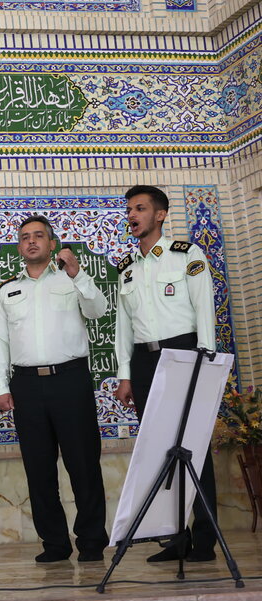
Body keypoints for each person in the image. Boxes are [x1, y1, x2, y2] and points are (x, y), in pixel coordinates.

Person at [0, 215, 109, 563]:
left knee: (83, 464)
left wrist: (78, 274)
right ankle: (54, 543)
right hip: (26, 385)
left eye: (38, 236)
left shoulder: (71, 280)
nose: (31, 241)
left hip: (70, 380)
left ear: (51, 244)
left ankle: (91, 541)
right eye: (25, 237)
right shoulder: (7, 291)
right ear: (19, 247)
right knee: (39, 469)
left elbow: (98, 310)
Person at [113, 185, 218, 562]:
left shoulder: (186, 254)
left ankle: (205, 539)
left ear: (159, 215)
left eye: (140, 208)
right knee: (159, 450)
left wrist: (204, 359)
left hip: (183, 353)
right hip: (144, 362)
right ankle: (176, 537)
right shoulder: (127, 269)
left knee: (194, 447)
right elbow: (123, 328)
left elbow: (204, 308)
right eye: (129, 209)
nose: (132, 215)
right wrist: (125, 374)